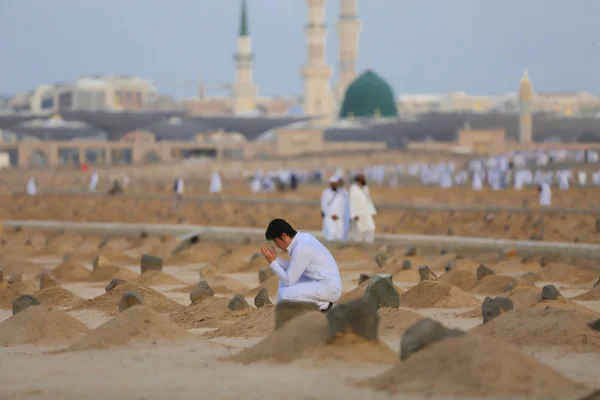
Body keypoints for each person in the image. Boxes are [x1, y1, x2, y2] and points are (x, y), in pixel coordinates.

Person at [260, 218, 342, 311]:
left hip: (329, 288)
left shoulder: (301, 247)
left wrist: (272, 262)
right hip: (321, 283)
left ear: (284, 235)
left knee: (284, 295)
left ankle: (325, 306)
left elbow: (289, 280)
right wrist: (275, 260)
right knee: (283, 285)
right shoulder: (303, 238)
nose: (276, 245)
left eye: (276, 241)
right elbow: (294, 268)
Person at [349, 173, 377, 242]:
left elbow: (369, 200)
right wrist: (354, 214)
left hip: (367, 214)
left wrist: (372, 211)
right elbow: (352, 202)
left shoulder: (365, 188)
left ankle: (368, 246)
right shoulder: (353, 188)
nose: (365, 180)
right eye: (363, 178)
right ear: (359, 179)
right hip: (358, 215)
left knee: (370, 229)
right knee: (358, 232)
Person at [321, 176, 346, 241]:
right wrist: (331, 215)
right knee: (331, 234)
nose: (334, 185)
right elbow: (324, 205)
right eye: (333, 183)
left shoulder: (342, 193)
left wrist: (338, 215)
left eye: (335, 183)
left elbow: (343, 206)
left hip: (339, 217)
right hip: (329, 217)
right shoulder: (326, 192)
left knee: (340, 234)